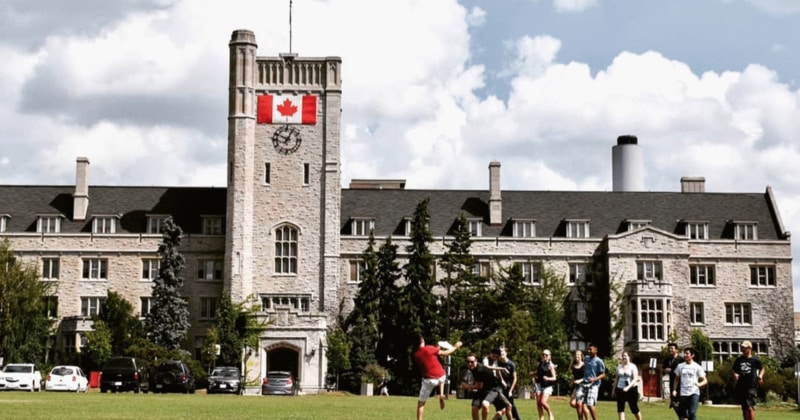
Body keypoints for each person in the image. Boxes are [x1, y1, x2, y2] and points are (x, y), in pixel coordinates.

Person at [414, 336, 462, 420]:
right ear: (422, 341)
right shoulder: (429, 349)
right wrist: (455, 347)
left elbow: (429, 354)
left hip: (429, 380)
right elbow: (445, 353)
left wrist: (439, 346)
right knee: (441, 377)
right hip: (441, 376)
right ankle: (442, 394)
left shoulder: (416, 355)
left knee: (421, 403)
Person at [462, 353, 512, 420]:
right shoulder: (471, 368)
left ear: (476, 361)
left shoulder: (480, 370)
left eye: (472, 362)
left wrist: (468, 386)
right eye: (468, 362)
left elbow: (478, 386)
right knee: (474, 408)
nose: (470, 364)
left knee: (485, 404)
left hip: (493, 389)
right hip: (483, 389)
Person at [672, 347, 707, 420]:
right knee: (683, 415)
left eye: (687, 353)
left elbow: (705, 380)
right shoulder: (680, 366)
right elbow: (676, 379)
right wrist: (674, 390)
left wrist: (699, 384)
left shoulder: (697, 366)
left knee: (692, 412)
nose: (685, 355)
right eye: (684, 353)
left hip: (694, 393)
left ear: (692, 355)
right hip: (683, 393)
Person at [732, 341, 764, 420]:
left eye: (744, 348)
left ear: (749, 348)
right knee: (744, 408)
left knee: (750, 407)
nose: (742, 349)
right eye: (742, 347)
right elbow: (734, 370)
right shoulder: (739, 360)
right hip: (741, 386)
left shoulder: (755, 360)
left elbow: (762, 368)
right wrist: (735, 374)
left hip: (752, 386)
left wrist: (760, 376)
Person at [576, 343, 606, 420]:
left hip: (594, 384)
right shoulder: (586, 358)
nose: (588, 351)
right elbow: (582, 366)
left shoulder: (599, 361)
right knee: (578, 403)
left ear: (595, 351)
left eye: (590, 349)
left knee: (589, 405)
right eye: (588, 349)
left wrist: (594, 379)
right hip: (584, 383)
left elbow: (603, 374)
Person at [611, 351, 642, 420]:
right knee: (620, 408)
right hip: (620, 389)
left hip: (631, 389)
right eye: (623, 356)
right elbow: (616, 379)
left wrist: (628, 387)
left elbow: (635, 379)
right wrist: (613, 390)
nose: (624, 357)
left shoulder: (633, 366)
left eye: (625, 356)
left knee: (634, 408)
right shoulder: (619, 367)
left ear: (629, 357)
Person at [496, 347, 521, 420]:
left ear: (506, 353)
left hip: (509, 387)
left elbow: (515, 378)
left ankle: (517, 418)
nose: (501, 353)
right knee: (501, 406)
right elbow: (498, 374)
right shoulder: (498, 363)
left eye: (502, 352)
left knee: (511, 405)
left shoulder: (511, 364)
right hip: (500, 388)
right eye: (500, 352)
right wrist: (501, 381)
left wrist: (510, 390)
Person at [532, 349, 557, 420]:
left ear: (549, 356)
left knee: (543, 402)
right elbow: (538, 372)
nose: (544, 356)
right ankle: (541, 418)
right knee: (538, 403)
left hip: (547, 386)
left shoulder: (551, 365)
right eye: (543, 354)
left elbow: (554, 378)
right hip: (539, 384)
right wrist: (533, 374)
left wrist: (548, 378)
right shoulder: (540, 364)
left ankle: (550, 413)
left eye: (546, 355)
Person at [661, 342, 683, 419]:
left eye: (672, 348)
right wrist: (665, 370)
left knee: (679, 402)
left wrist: (672, 370)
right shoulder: (667, 359)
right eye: (669, 348)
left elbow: (682, 371)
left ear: (676, 350)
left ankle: (683, 416)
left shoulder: (681, 360)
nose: (670, 350)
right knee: (673, 402)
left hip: (680, 383)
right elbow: (663, 368)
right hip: (672, 382)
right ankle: (681, 417)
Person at [569, 350, 588, 420]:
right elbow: (574, 376)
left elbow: (587, 377)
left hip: (583, 386)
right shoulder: (573, 366)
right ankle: (583, 410)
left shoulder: (584, 365)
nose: (577, 356)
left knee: (579, 404)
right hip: (575, 386)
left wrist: (580, 380)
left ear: (581, 356)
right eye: (576, 355)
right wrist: (572, 382)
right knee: (572, 403)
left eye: (578, 355)